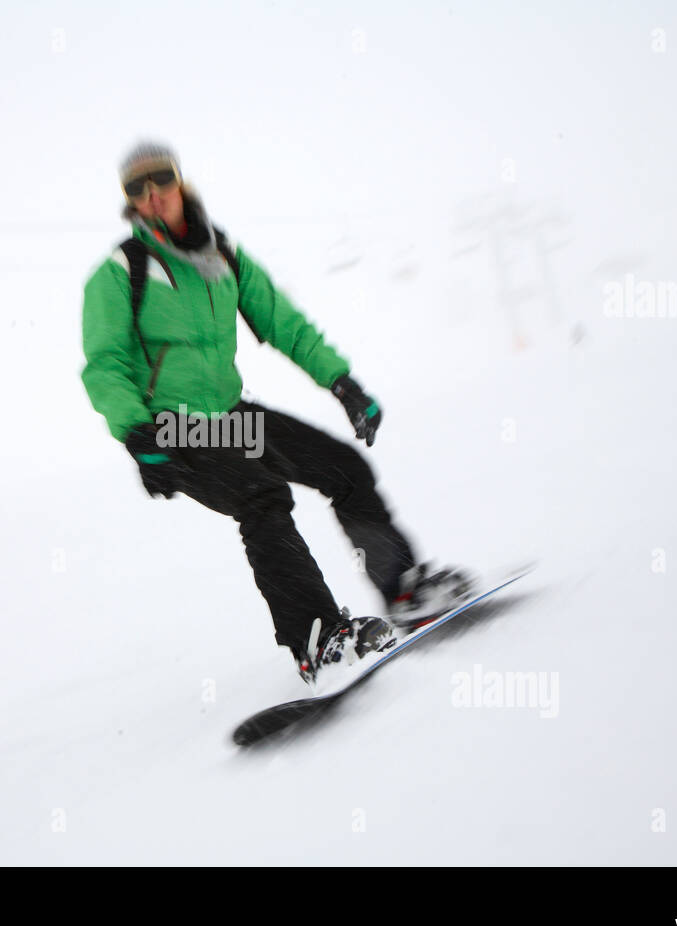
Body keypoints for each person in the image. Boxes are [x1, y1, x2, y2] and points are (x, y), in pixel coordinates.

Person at [80, 141, 477, 688]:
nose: (153, 198)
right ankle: (320, 640)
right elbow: (105, 365)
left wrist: (342, 382)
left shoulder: (221, 255)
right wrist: (137, 433)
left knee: (345, 470)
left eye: (161, 182)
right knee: (261, 497)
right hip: (175, 427)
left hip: (229, 416)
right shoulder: (121, 271)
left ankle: (404, 588)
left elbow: (283, 322)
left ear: (180, 182)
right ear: (130, 201)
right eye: (137, 190)